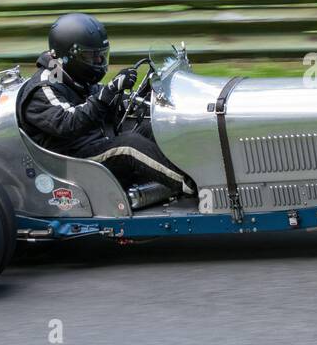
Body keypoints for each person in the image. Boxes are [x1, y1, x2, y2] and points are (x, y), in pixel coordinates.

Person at [21, 13, 192, 203]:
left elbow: (103, 104)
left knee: (151, 127)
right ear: (68, 56)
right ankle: (194, 185)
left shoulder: (72, 76)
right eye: (91, 57)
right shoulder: (44, 86)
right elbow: (68, 123)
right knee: (129, 145)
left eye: (101, 56)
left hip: (95, 143)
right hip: (70, 161)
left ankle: (204, 170)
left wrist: (136, 96)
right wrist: (109, 92)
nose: (99, 63)